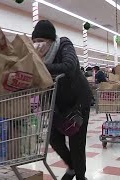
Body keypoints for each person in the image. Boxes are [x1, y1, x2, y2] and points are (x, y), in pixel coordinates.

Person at [32, 20, 92, 180]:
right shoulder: (37, 58)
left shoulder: (64, 44)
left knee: (76, 143)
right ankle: (72, 166)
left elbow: (69, 66)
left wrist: (39, 68)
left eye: (42, 41)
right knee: (53, 138)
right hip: (57, 104)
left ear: (51, 40)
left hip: (78, 101)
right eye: (35, 41)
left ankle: (80, 176)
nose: (38, 45)